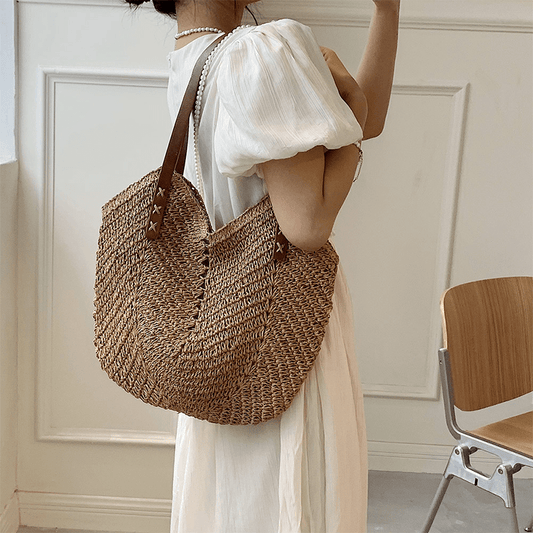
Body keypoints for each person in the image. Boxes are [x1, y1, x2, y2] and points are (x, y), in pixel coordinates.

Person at [126, 1, 400, 531]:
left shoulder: (190, 58)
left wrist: (386, 13)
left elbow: (366, 121)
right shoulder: (260, 53)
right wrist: (356, 114)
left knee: (235, 502)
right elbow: (307, 224)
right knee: (293, 495)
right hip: (283, 321)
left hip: (221, 328)